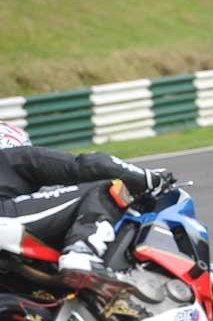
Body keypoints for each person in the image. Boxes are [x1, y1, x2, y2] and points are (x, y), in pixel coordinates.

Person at [0, 124, 173, 290]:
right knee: (109, 188)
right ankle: (82, 252)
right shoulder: (13, 157)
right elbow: (92, 164)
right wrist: (150, 179)